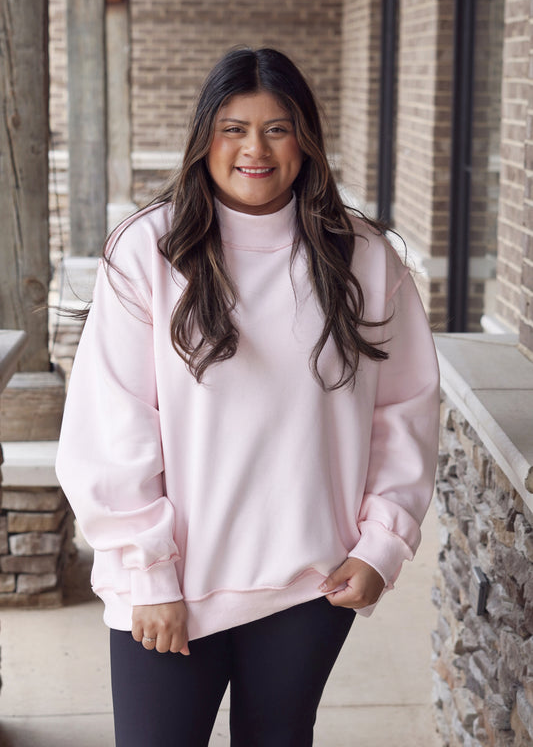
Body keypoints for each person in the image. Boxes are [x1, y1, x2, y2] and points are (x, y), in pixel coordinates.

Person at [56, 46, 440, 747]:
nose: (254, 149)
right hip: (170, 586)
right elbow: (112, 423)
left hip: (308, 582)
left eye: (277, 128)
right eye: (233, 128)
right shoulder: (150, 250)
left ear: (306, 140)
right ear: (205, 137)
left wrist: (382, 544)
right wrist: (150, 574)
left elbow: (404, 410)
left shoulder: (361, 256)